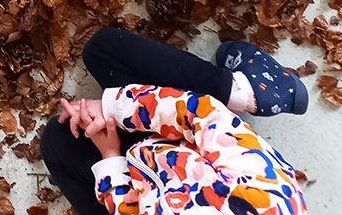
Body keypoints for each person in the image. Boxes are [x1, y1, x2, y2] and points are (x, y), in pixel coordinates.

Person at [42, 28, 309, 215]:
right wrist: (113, 107)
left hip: (148, 171)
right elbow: (199, 113)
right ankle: (242, 91)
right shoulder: (258, 192)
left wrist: (110, 156)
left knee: (57, 140)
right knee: (104, 49)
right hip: (193, 140)